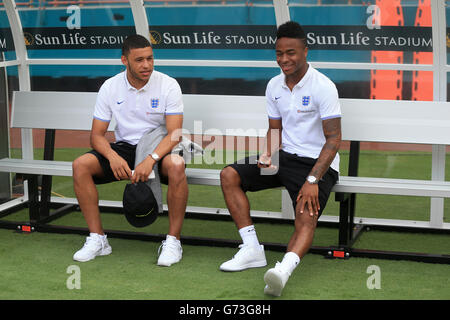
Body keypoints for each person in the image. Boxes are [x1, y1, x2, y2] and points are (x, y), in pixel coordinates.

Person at [219, 21, 341, 296]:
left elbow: (334, 140)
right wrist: (267, 154)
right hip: (283, 159)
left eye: (291, 53)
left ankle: (282, 271)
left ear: (305, 51)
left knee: (305, 219)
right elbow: (276, 130)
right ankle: (251, 249)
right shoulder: (274, 85)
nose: (284, 59)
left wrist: (313, 178)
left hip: (317, 165)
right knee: (229, 174)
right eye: (279, 53)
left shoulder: (324, 86)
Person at [71, 34, 188, 267]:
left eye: (150, 59)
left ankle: (173, 241)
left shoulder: (168, 84)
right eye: (139, 60)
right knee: (80, 165)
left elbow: (174, 134)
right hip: (124, 148)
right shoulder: (110, 86)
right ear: (124, 60)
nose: (147, 65)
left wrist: (150, 158)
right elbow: (96, 135)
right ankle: (98, 239)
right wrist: (112, 157)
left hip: (159, 146)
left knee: (176, 165)